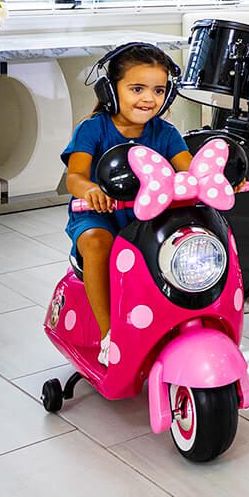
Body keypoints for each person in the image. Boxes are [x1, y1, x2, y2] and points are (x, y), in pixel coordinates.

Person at [62, 43, 192, 363]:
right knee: (96, 242)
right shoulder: (92, 129)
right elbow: (74, 176)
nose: (149, 99)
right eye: (137, 88)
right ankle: (111, 335)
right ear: (110, 90)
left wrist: (218, 179)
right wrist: (90, 189)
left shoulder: (166, 133)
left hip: (149, 217)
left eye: (159, 90)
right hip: (100, 214)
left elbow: (190, 169)